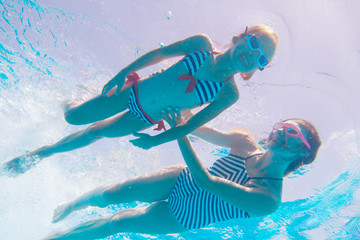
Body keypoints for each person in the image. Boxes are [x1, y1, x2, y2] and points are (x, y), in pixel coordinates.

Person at [3, 25, 279, 175]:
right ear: (239, 37)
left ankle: (40, 154)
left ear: (255, 70)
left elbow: (190, 125)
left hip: (145, 118)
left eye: (262, 58)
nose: (254, 55)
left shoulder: (228, 93)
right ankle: (71, 99)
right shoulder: (201, 45)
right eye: (254, 43)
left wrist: (154, 142)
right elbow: (158, 55)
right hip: (133, 91)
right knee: (73, 118)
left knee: (96, 133)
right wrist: (123, 73)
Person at [44, 108, 321, 239]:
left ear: (302, 155)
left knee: (118, 223)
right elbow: (197, 128)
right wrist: (178, 113)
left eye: (294, 133)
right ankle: (73, 204)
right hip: (179, 179)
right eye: (284, 125)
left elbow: (208, 182)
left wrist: (179, 132)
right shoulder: (246, 141)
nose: (282, 131)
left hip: (184, 216)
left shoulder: (268, 199)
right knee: (109, 194)